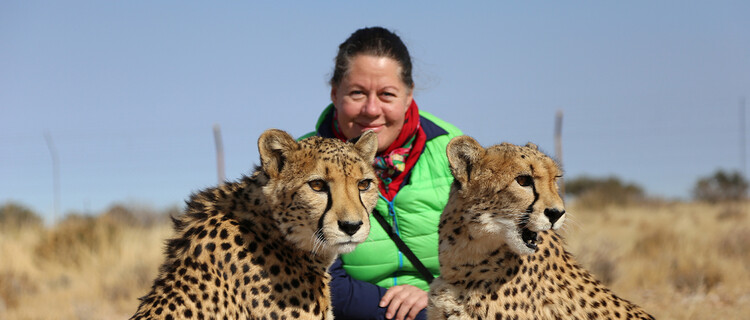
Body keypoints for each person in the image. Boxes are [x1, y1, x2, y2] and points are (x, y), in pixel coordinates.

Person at [301, 26, 462, 320]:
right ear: (335, 93)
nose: (371, 109)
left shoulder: (456, 153)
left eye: (387, 94)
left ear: (409, 94)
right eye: (357, 93)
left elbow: (503, 261)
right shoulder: (299, 164)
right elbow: (319, 283)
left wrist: (439, 298)